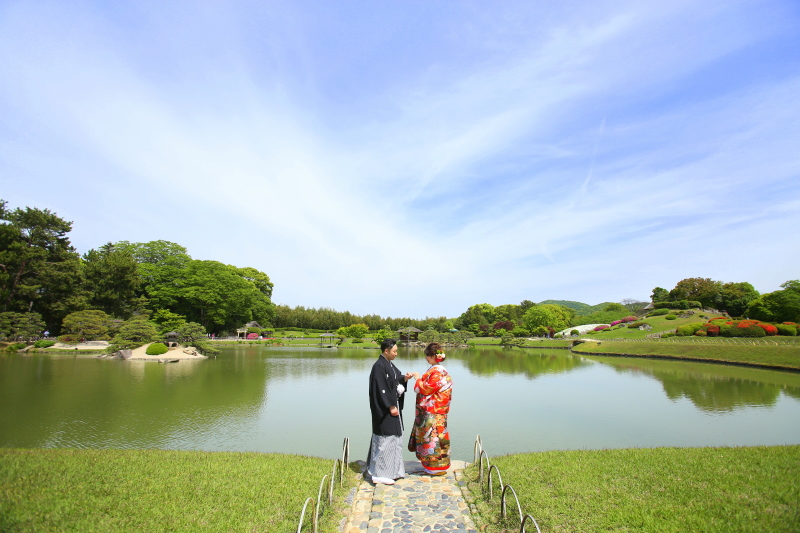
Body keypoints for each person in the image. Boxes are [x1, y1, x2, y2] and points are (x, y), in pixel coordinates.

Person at [367, 338, 417, 485]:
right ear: (386, 351)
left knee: (395, 438)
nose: (396, 353)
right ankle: (379, 473)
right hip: (384, 410)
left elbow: (395, 379)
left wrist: (405, 379)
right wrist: (390, 406)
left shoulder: (388, 364)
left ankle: (394, 471)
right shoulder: (378, 367)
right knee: (385, 439)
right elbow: (381, 389)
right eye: (394, 351)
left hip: (392, 407)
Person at [408, 342, 453, 475]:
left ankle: (434, 467)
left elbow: (423, 389)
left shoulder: (436, 372)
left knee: (431, 439)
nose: (426, 358)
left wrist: (417, 378)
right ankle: (438, 466)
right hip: (439, 410)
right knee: (439, 437)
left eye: (427, 356)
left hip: (432, 411)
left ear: (433, 356)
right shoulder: (441, 371)